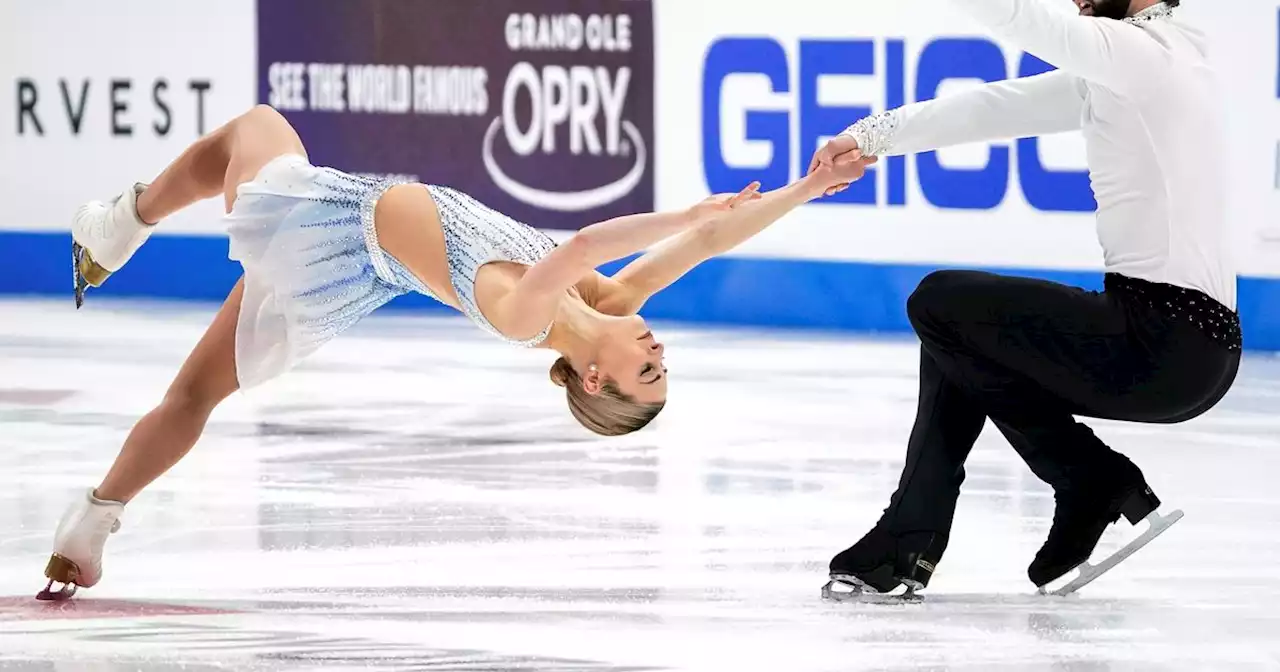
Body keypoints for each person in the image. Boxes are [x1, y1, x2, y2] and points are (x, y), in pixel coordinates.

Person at [41, 104, 878, 600]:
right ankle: (93, 519)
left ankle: (124, 219)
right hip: (346, 260)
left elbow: (584, 239)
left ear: (594, 377)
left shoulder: (528, 318)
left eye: (648, 369)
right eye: (663, 363)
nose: (658, 349)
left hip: (331, 223)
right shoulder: (611, 306)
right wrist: (805, 189)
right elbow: (711, 246)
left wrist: (684, 215)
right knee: (194, 395)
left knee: (255, 128)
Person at [810, 0, 1239, 595]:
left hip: (1158, 342)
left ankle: (1088, 477)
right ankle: (907, 539)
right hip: (1189, 344)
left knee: (939, 302)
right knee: (956, 328)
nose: (1075, 1)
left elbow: (1022, 19)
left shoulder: (1145, 56)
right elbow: (993, 109)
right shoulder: (1151, 61)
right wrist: (870, 135)